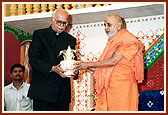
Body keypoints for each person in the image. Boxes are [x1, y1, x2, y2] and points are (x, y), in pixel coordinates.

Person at [75, 14, 144, 111]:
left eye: (109, 25)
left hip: (123, 89)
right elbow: (102, 69)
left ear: (119, 25)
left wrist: (87, 64)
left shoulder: (129, 40)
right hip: (109, 89)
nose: (106, 28)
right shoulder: (112, 42)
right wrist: (80, 65)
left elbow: (113, 61)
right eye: (104, 25)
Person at [27, 8, 78, 111]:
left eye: (65, 23)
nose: (62, 25)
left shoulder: (71, 40)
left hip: (62, 94)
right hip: (42, 93)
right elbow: (33, 59)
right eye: (59, 22)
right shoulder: (39, 34)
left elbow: (73, 60)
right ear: (52, 19)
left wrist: (75, 71)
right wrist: (52, 68)